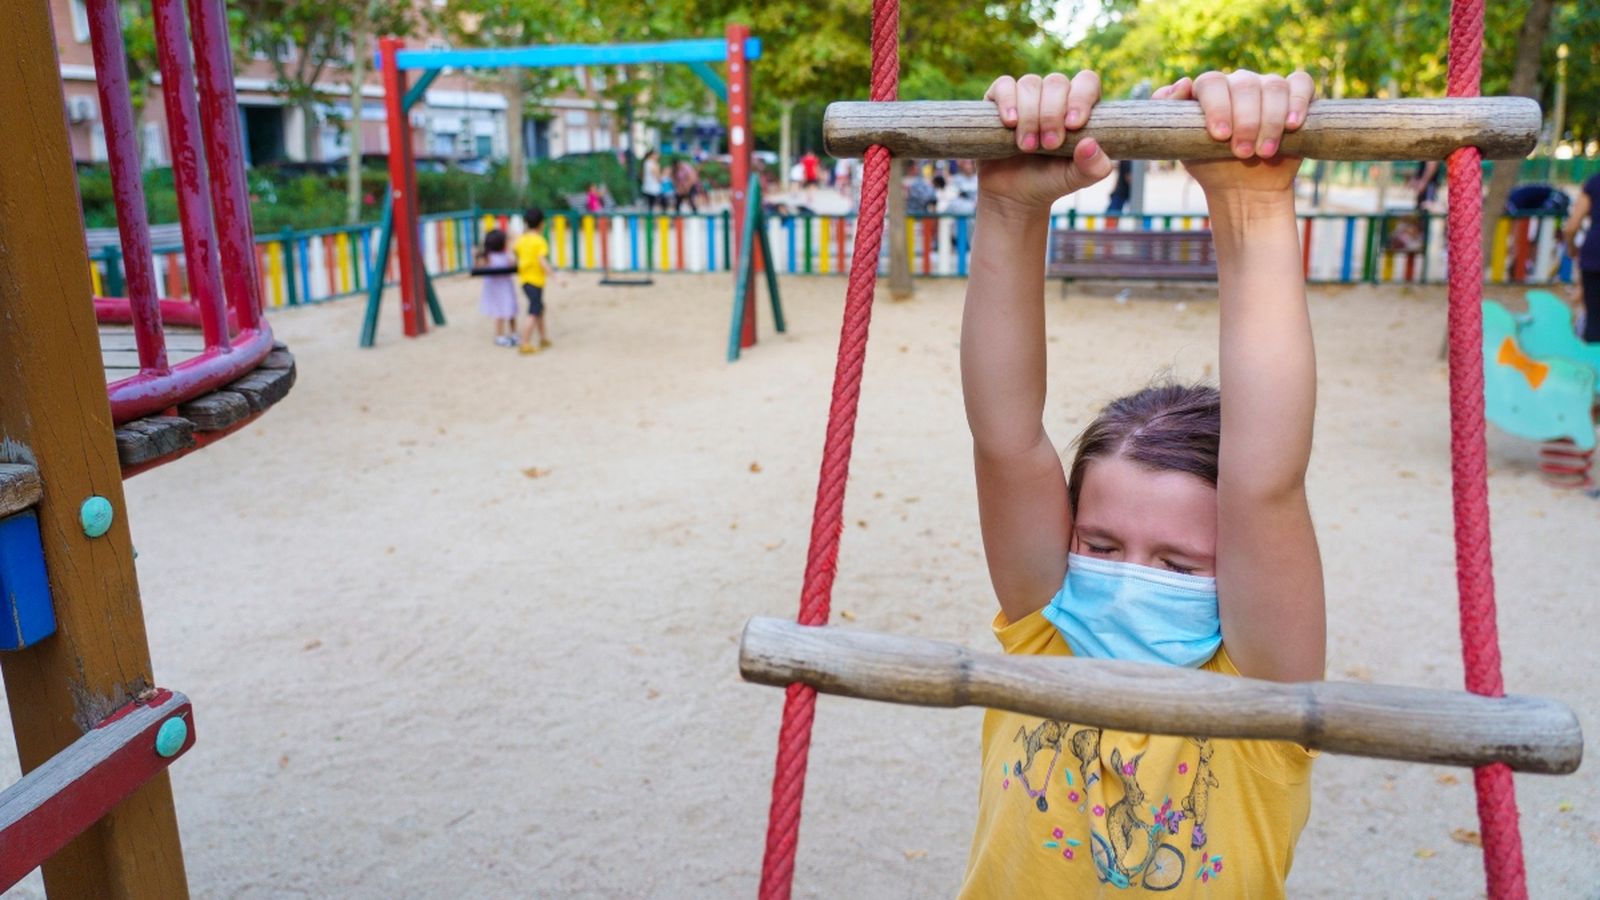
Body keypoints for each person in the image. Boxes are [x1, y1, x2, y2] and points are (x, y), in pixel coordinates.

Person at [959, 69, 1322, 897]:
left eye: (1179, 567)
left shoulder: (1258, 699)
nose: (1127, 582)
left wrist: (1253, 208)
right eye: (1100, 545)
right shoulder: (1048, 642)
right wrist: (1011, 211)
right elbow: (1005, 440)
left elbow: (1266, 482)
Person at [1561, 172, 1600, 342]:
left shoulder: (1594, 182)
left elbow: (1571, 227)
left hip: (1595, 254)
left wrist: (1571, 248)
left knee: (1594, 320)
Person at [513, 208, 553, 355]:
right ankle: (525, 344)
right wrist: (554, 276)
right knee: (534, 312)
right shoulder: (540, 241)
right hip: (535, 281)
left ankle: (543, 338)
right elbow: (542, 260)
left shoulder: (521, 239)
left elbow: (515, 253)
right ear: (542, 224)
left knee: (540, 308)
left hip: (524, 280)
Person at [475, 229, 518, 347]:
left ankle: (514, 334)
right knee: (500, 312)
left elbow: (513, 264)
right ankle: (499, 336)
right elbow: (478, 266)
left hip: (505, 288)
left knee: (511, 310)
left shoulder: (505, 255)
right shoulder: (489, 257)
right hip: (496, 290)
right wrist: (477, 253)